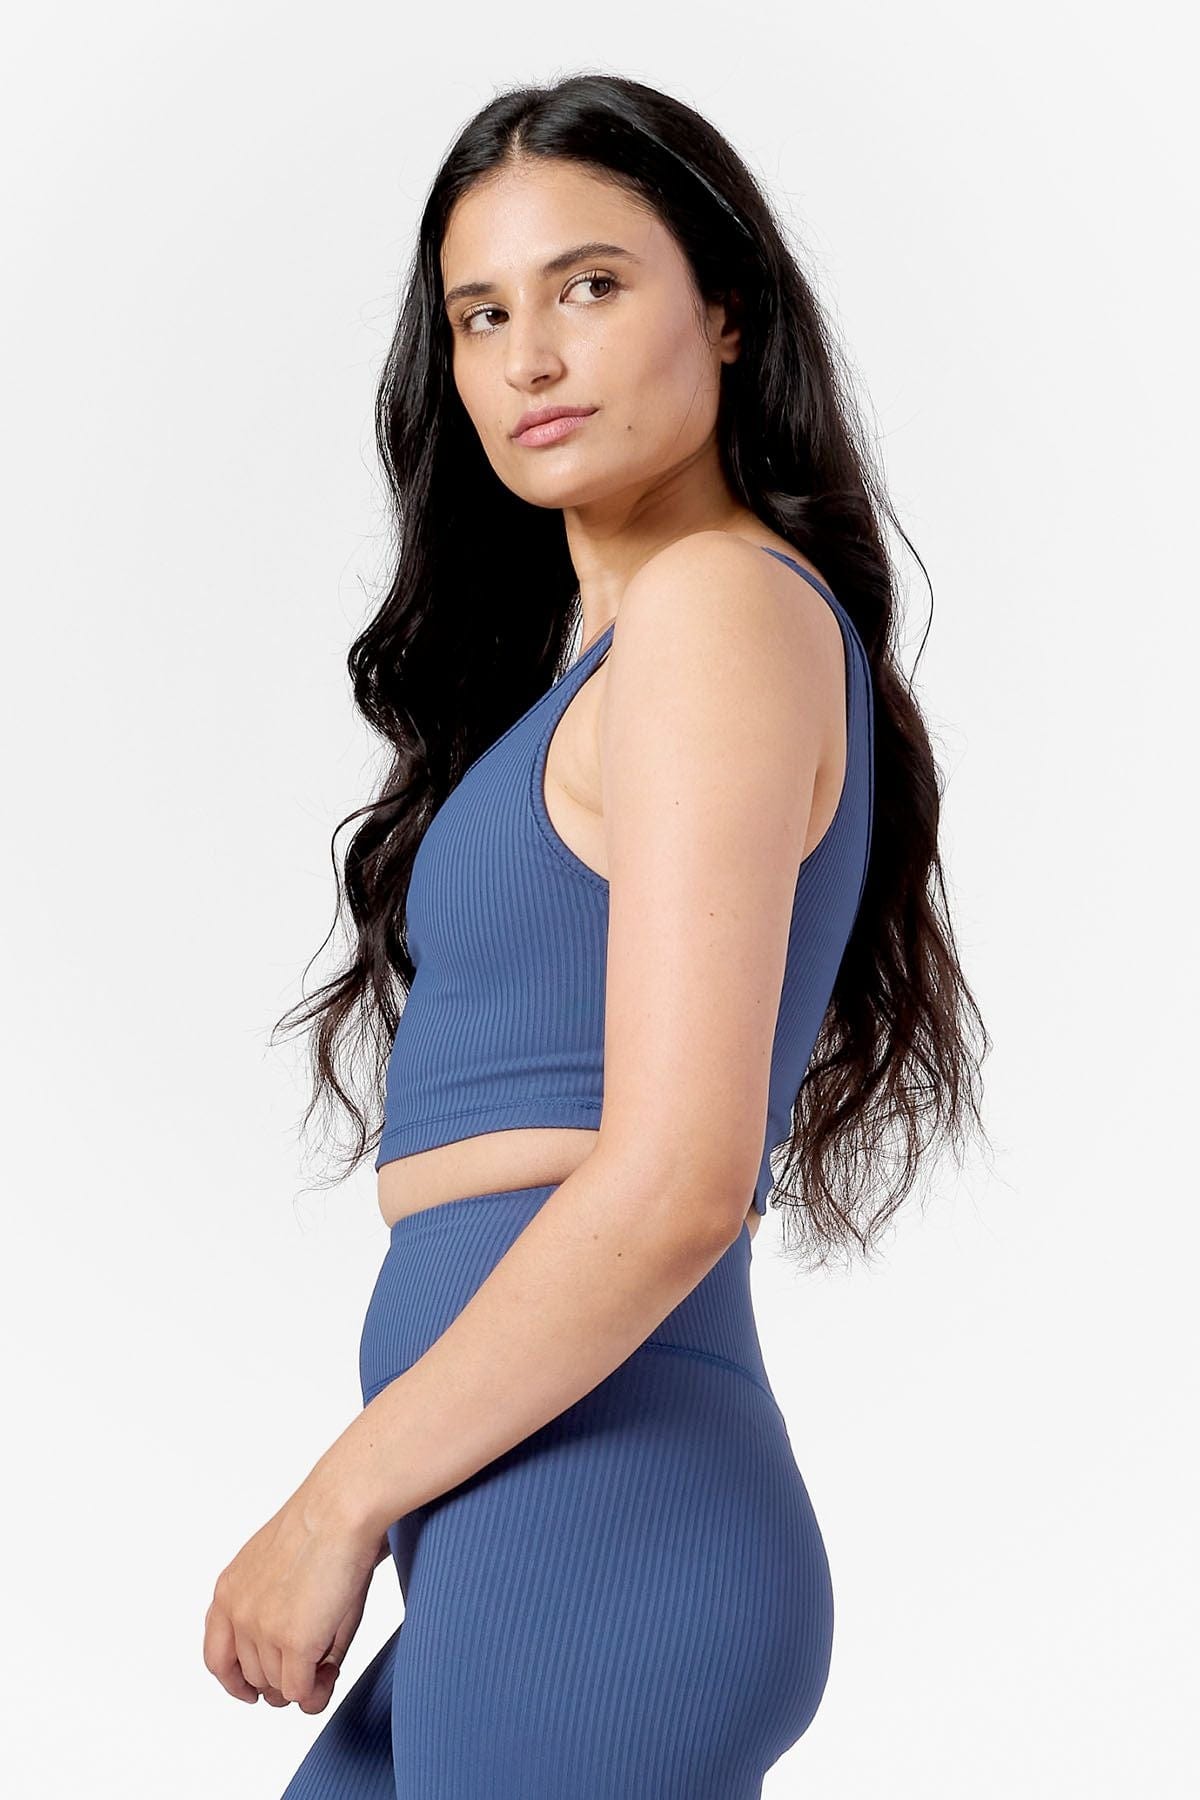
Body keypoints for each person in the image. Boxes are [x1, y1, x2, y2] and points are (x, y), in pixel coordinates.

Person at [203, 72, 988, 1798]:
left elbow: (678, 1176)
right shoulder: (607, 666)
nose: (530, 355)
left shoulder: (718, 608)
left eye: (591, 286)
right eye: (481, 315)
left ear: (724, 313)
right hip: (526, 1535)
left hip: (605, 1535)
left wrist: (340, 1498)